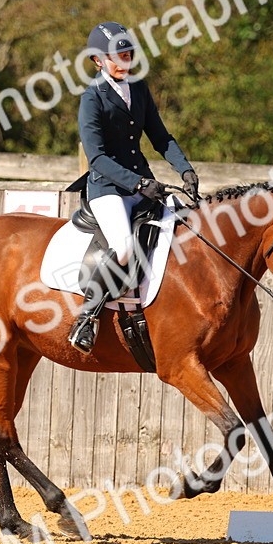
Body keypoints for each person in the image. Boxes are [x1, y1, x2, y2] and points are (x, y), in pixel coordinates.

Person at [67, 21, 200, 353]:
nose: (123, 61)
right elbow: (96, 157)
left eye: (127, 54)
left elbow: (160, 137)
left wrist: (185, 170)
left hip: (143, 183)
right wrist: (139, 183)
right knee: (124, 247)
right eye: (116, 56)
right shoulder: (91, 99)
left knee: (185, 228)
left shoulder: (138, 89)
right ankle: (87, 318)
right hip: (108, 188)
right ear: (98, 60)